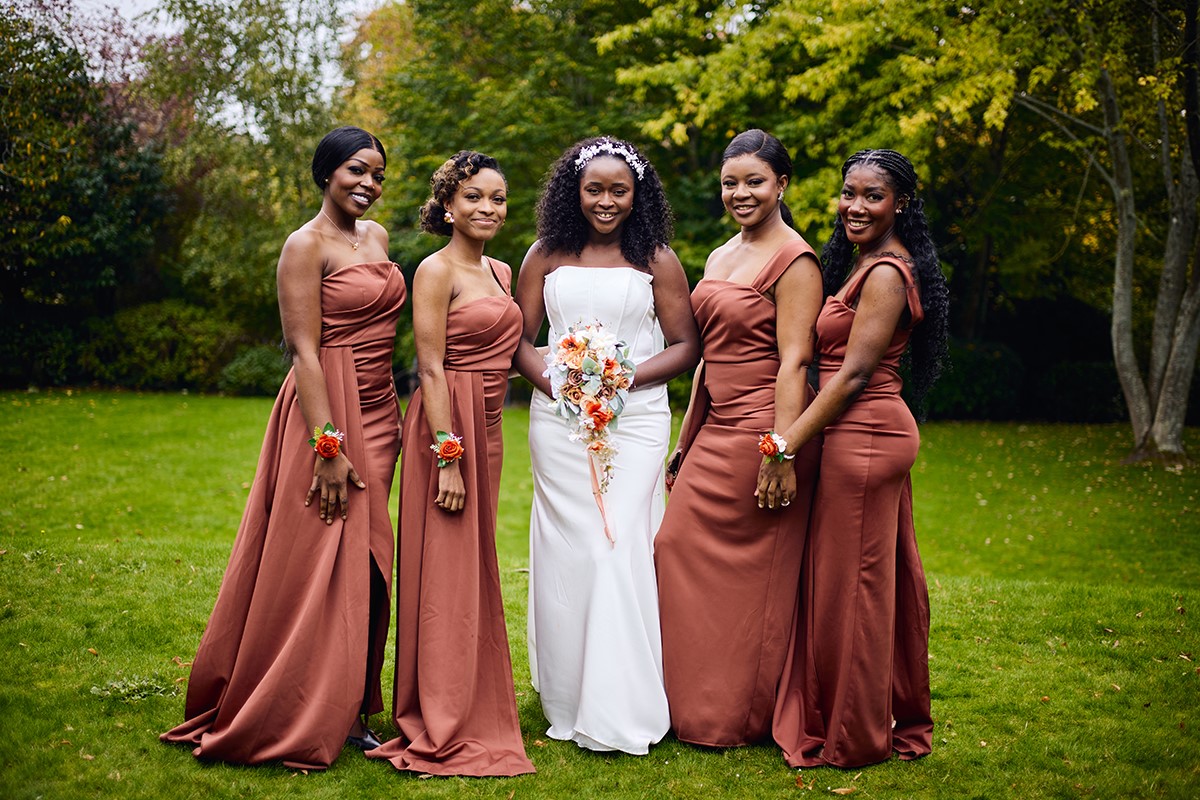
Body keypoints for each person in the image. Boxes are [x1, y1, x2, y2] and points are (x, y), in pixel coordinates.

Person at [161, 126, 405, 769]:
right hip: (327, 411)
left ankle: (352, 706)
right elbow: (303, 349)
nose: (368, 184)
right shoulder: (304, 245)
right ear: (326, 172)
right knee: (319, 560)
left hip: (381, 413)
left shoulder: (377, 238)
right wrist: (327, 445)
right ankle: (302, 703)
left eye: (377, 175)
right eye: (356, 170)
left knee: (370, 561)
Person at [513, 136, 700, 755]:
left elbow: (685, 345)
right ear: (574, 190)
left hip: (637, 419)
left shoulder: (656, 258)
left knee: (615, 544)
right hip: (558, 421)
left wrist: (619, 378)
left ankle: (623, 701)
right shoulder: (545, 253)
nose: (606, 201)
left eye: (620, 190)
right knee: (571, 550)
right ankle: (569, 694)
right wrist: (561, 385)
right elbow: (521, 339)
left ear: (637, 194)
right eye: (594, 189)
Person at [771, 148, 949, 768]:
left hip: (867, 436)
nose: (856, 206)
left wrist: (784, 444)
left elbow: (852, 376)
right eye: (850, 193)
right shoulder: (863, 262)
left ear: (901, 204)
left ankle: (855, 733)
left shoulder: (887, 274)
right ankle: (872, 714)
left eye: (873, 196)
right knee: (865, 583)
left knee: (854, 591)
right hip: (858, 435)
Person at [365, 151, 535, 776]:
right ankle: (438, 708)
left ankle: (471, 695)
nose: (488, 208)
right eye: (474, 197)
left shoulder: (501, 269)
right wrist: (447, 458)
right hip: (447, 428)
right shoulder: (435, 271)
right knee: (444, 571)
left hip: (489, 426)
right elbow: (430, 368)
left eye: (498, 198)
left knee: (475, 563)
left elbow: (514, 353)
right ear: (447, 206)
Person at [653, 129, 823, 747]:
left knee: (751, 578)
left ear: (782, 184)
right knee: (672, 547)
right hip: (714, 426)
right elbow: (706, 358)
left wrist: (781, 451)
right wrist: (685, 438)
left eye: (755, 181)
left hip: (763, 429)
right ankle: (683, 701)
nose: (741, 193)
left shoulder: (796, 260)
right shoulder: (721, 254)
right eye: (731, 183)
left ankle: (737, 714)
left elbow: (795, 361)